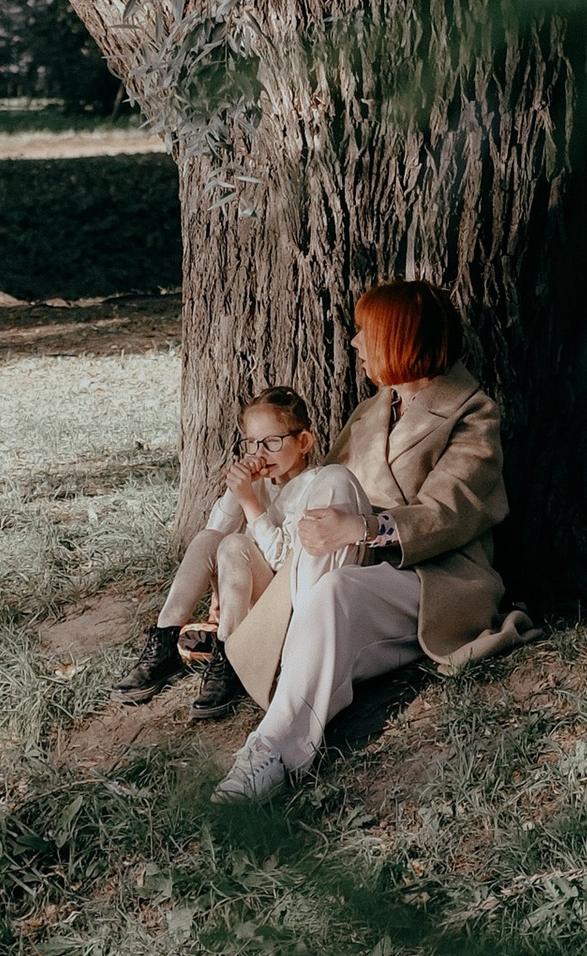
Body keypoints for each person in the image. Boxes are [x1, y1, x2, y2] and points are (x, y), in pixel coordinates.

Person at [215, 278, 508, 804]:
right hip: (348, 574)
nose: (353, 344)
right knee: (327, 490)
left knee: (334, 567)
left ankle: (271, 748)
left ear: (401, 338)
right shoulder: (370, 412)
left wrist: (366, 528)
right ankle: (297, 665)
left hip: (432, 576)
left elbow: (452, 513)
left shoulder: (473, 414)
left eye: (365, 334)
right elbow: (317, 504)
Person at [117, 389, 372, 718]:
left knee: (234, 544)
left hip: (287, 606)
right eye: (251, 443)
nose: (259, 453)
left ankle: (230, 657)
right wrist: (236, 492)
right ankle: (165, 639)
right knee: (210, 539)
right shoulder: (262, 484)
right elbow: (214, 532)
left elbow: (286, 563)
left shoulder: (317, 485)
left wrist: (250, 503)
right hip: (252, 599)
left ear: (304, 442)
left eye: (272, 442)